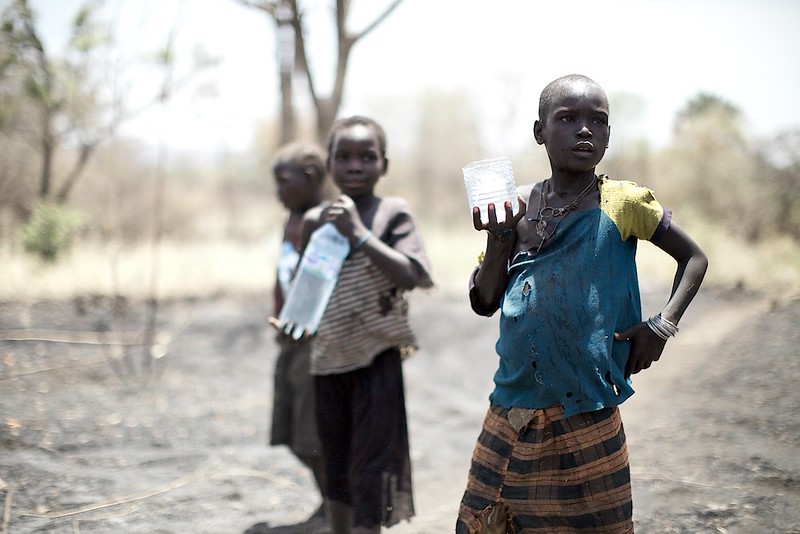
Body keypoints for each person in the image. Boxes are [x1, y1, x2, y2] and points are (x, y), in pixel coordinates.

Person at [456, 74, 708, 533]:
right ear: (540, 132)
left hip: (588, 408)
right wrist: (499, 238)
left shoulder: (624, 202)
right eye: (567, 119)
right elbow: (484, 301)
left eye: (598, 121)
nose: (584, 130)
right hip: (512, 407)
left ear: (609, 137)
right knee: (484, 523)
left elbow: (694, 258)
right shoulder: (515, 208)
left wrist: (662, 325)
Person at [280, 116, 433, 534]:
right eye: (343, 157)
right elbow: (307, 288)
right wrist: (292, 321)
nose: (354, 166)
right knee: (336, 461)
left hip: (376, 360)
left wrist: (359, 234)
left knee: (371, 463)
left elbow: (413, 275)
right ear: (329, 163)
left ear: (384, 164)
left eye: (367, 157)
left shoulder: (391, 213)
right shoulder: (315, 221)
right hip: (327, 360)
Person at [268, 140, 329, 528]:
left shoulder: (326, 222)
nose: (277, 191)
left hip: (317, 343)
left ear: (309, 178)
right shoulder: (290, 221)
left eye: (283, 181)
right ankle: (330, 503)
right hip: (289, 339)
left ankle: (337, 508)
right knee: (290, 430)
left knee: (313, 433)